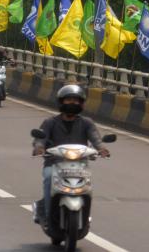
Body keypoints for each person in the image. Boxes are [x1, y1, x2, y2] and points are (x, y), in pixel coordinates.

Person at [32, 84, 110, 222]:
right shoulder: (50, 122)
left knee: (87, 186)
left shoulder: (87, 123)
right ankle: (46, 211)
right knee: (49, 177)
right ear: (61, 101)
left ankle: (86, 216)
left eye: (76, 100)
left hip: (80, 165)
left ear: (81, 103)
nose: (72, 103)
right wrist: (39, 148)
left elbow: (96, 138)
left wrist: (101, 149)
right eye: (69, 100)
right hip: (55, 163)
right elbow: (41, 138)